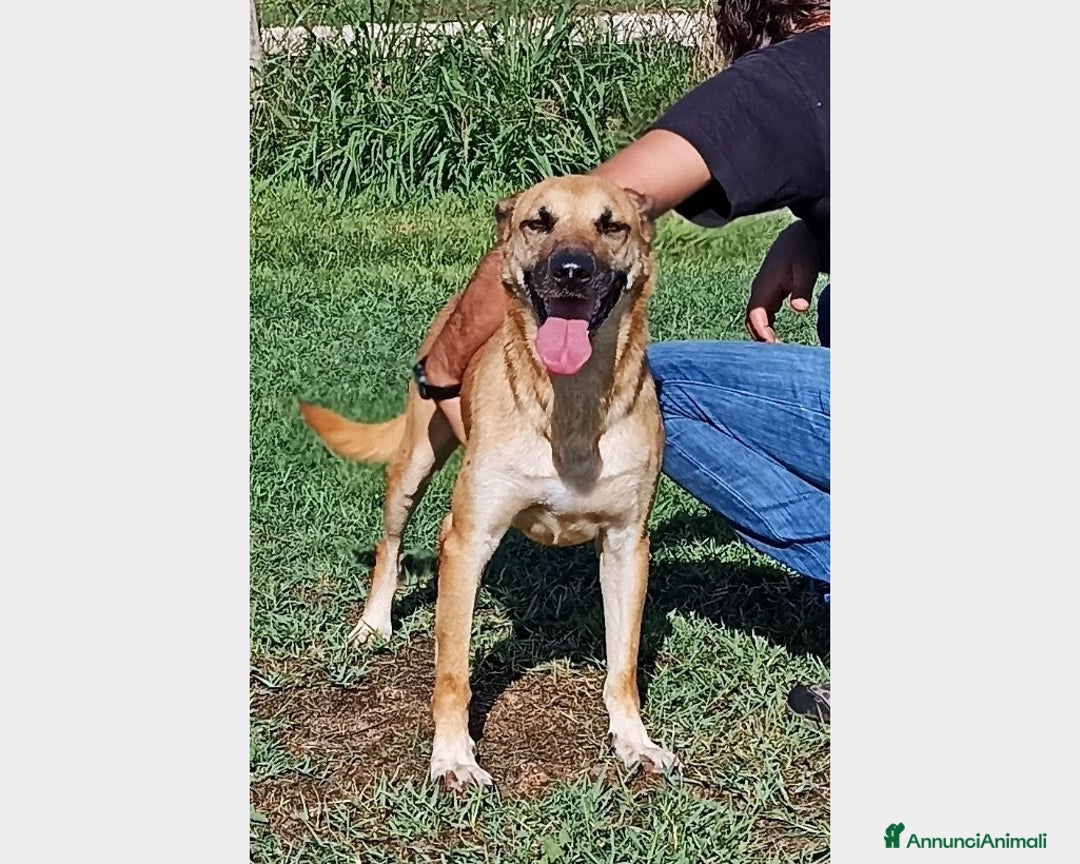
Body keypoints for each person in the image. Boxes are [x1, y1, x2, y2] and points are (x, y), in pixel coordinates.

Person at [411, 0, 832, 720]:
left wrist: (439, 371)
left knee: (653, 384)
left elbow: (616, 189)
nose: (574, 251)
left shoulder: (803, 69)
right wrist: (819, 235)